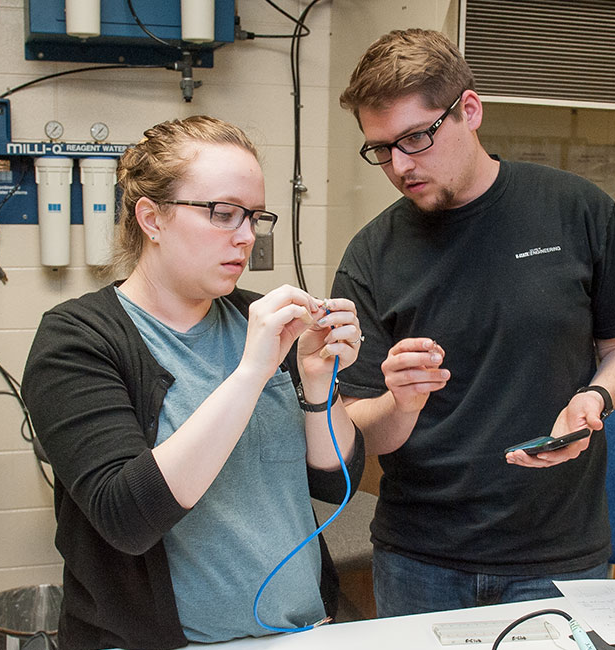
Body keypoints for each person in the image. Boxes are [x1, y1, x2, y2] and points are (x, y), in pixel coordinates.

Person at [330, 29, 615, 617]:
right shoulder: (370, 255)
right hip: (420, 559)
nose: (400, 166)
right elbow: (364, 433)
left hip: (559, 555)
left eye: (416, 138)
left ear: (469, 109)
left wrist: (596, 398)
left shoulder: (576, 209)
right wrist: (401, 402)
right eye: (381, 148)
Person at [21, 115, 365, 650]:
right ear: (152, 218)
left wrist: (320, 389)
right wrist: (252, 373)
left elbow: (332, 479)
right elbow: (126, 516)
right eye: (223, 214)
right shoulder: (76, 340)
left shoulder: (256, 319)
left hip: (296, 630)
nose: (247, 237)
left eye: (254, 217)